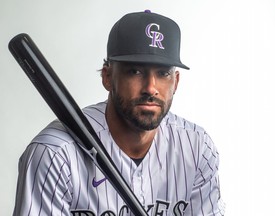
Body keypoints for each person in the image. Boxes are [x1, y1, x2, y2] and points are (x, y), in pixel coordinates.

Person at [13, 10, 225, 216]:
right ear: (107, 76)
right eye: (135, 71)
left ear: (175, 82)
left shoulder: (196, 147)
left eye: (162, 73)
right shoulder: (55, 154)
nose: (151, 88)